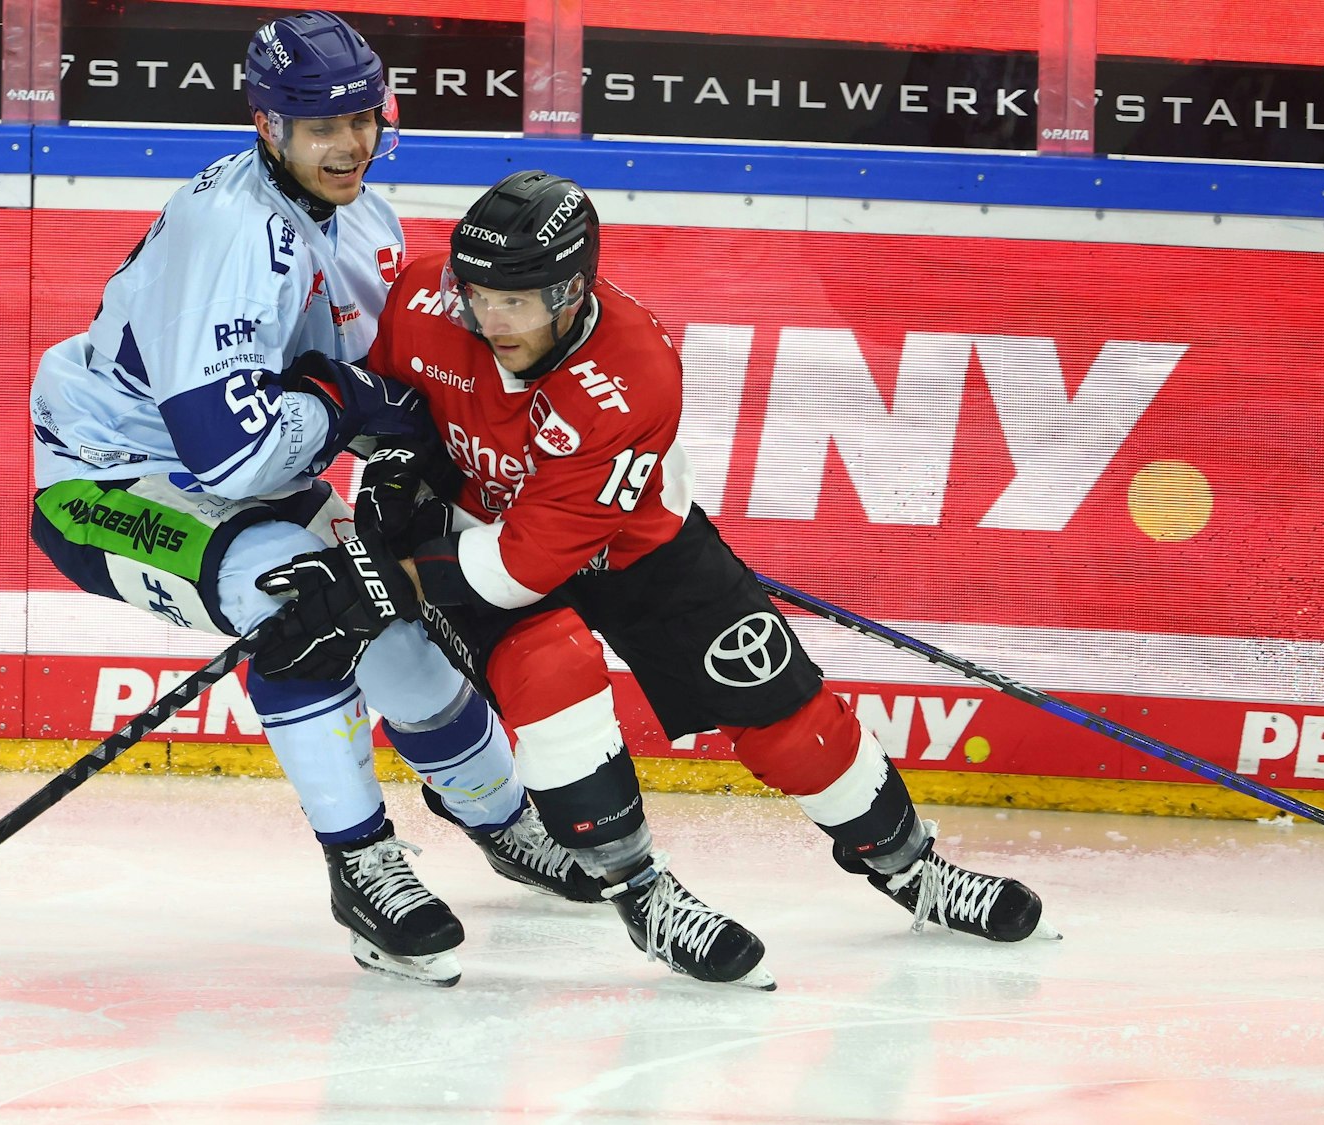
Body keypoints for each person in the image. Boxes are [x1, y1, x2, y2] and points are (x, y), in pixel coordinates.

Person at [257, 170, 1055, 989]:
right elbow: (396, 405)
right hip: (474, 529)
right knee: (553, 666)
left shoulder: (632, 369)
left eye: (517, 301)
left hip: (623, 549)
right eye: (477, 294)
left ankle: (908, 864)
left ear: (572, 290)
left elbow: (517, 568)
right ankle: (641, 890)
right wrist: (395, 470)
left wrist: (393, 581)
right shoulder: (429, 295)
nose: (489, 318)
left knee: (789, 719)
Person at [26, 17, 600, 989]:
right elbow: (230, 454)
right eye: (318, 126)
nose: (349, 145)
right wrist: (346, 411)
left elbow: (374, 385)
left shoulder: (368, 218)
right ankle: (362, 869)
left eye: (361, 118)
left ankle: (505, 824)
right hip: (107, 477)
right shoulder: (229, 234)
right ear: (266, 125)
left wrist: (421, 457)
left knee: (402, 637)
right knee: (299, 604)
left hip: (257, 476)